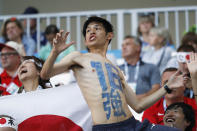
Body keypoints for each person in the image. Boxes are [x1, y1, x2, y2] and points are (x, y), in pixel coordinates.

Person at [41, 16, 183, 131]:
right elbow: (45, 74)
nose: (91, 32)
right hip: (105, 128)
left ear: (109, 35)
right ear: (85, 39)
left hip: (133, 125)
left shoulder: (116, 69)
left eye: (96, 28)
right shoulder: (78, 57)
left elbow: (138, 106)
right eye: (88, 30)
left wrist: (167, 87)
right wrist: (55, 52)